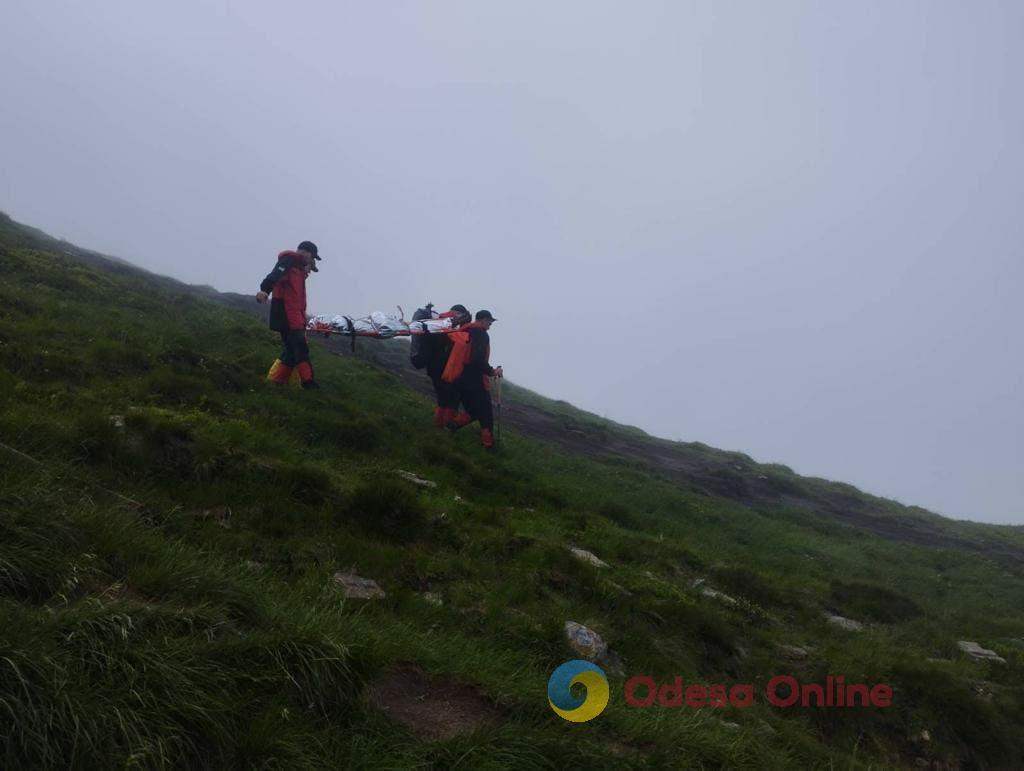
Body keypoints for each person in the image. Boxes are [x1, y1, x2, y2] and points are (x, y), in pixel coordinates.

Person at [256, 241, 321, 389]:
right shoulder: (288, 261)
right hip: (288, 316)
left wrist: (305, 271)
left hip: (294, 317)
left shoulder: (297, 268)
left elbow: (291, 285)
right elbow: (275, 275)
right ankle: (309, 384)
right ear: (306, 253)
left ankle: (274, 382)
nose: (312, 261)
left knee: (291, 351)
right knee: (300, 350)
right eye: (312, 257)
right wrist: (264, 290)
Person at [442, 310, 503, 449]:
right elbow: (477, 359)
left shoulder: (465, 330)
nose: (490, 325)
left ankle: (451, 426)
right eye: (489, 321)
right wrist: (492, 371)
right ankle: (488, 446)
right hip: (474, 379)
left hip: (458, 376)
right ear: (482, 320)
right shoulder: (481, 334)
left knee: (473, 410)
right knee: (486, 413)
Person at [427, 304, 471, 427]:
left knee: (442, 398)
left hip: (432, 365)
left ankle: (438, 425)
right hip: (446, 367)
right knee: (451, 399)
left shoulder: (438, 320)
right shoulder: (453, 323)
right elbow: (459, 342)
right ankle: (445, 426)